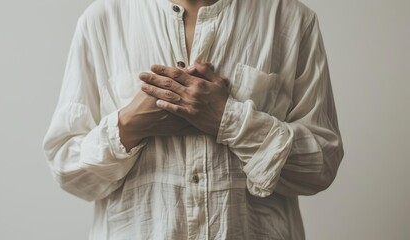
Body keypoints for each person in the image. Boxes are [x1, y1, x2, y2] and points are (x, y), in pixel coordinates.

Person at [43, 0, 344, 239]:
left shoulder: (291, 20)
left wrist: (229, 119)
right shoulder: (102, 21)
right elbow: (67, 168)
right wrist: (130, 125)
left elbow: (321, 165)